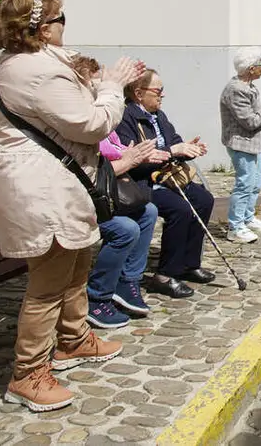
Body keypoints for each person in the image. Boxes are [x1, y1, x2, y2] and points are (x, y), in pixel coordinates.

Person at [0, 0, 144, 412]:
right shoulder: (36, 71)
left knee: (75, 258)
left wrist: (98, 82)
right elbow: (90, 125)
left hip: (51, 180)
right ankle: (28, 373)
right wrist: (112, 86)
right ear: (40, 29)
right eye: (60, 20)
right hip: (39, 188)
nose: (65, 27)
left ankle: (73, 339)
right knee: (49, 280)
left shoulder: (33, 64)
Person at [70, 56, 167, 329]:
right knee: (125, 229)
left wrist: (139, 154)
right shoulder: (81, 119)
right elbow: (92, 166)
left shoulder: (101, 115)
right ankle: (98, 296)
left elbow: (113, 152)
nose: (102, 88)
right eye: (97, 83)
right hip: (81, 199)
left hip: (102, 191)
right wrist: (131, 159)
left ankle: (127, 282)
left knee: (148, 210)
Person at [117, 70, 215, 298]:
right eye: (158, 91)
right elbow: (132, 160)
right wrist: (173, 151)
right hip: (140, 182)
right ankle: (165, 274)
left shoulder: (158, 115)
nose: (162, 96)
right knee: (179, 209)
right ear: (139, 93)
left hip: (167, 177)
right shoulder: (126, 118)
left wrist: (189, 150)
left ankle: (188, 264)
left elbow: (174, 141)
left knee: (203, 199)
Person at [220, 47, 261, 244]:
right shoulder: (236, 90)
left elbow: (257, 112)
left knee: (256, 182)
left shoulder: (248, 86)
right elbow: (250, 121)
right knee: (244, 184)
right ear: (251, 68)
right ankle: (235, 227)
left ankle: (247, 217)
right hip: (241, 143)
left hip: (253, 143)